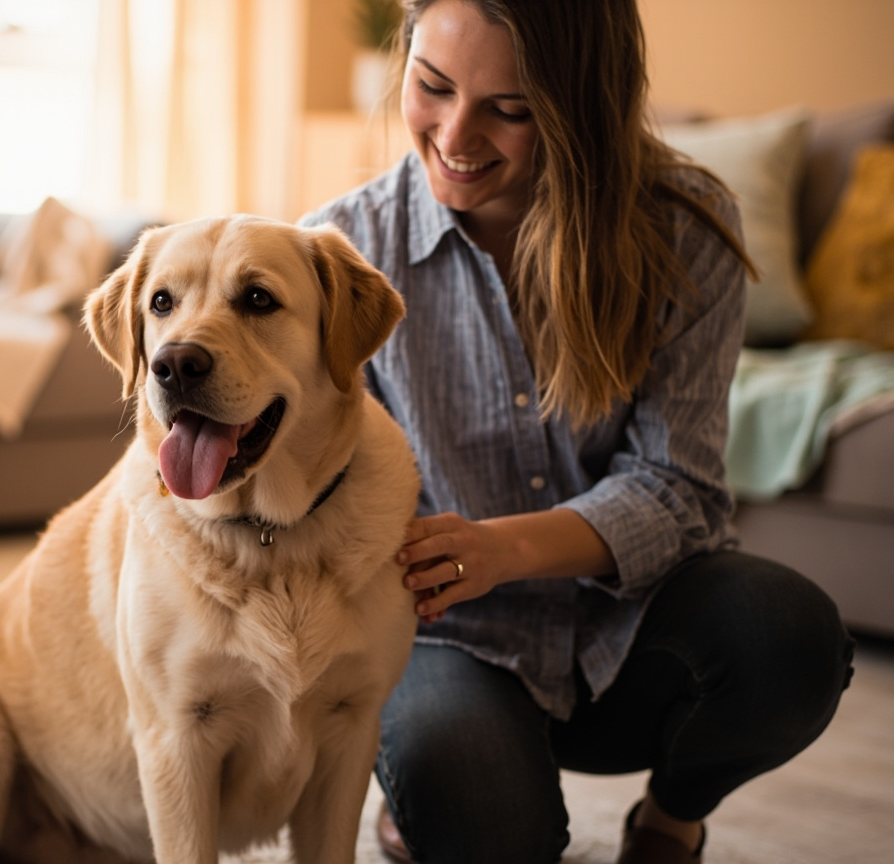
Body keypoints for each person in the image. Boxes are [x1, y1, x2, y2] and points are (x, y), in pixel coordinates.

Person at [299, 1, 854, 862]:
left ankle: (673, 818)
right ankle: (425, 790)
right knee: (487, 826)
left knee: (789, 637)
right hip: (444, 636)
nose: (455, 133)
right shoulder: (340, 257)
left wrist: (499, 549)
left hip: (628, 631)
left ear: (580, 105)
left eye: (510, 109)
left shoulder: (684, 224)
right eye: (432, 86)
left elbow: (680, 487)